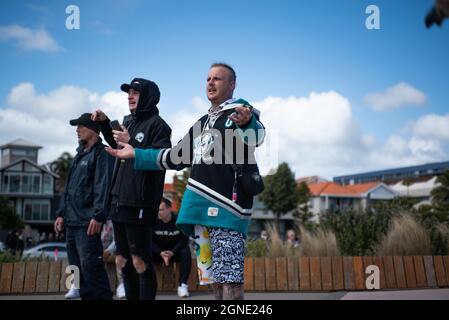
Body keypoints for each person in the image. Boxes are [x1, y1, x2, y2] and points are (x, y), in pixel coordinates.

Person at [105, 63, 265, 300]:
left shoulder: (240, 113)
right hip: (200, 212)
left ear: (232, 85)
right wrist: (136, 153)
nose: (210, 82)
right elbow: (173, 157)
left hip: (227, 211)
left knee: (230, 281)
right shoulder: (201, 123)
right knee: (214, 282)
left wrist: (246, 122)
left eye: (218, 79)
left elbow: (257, 136)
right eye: (208, 78)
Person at [91, 78, 172, 300]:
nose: (130, 96)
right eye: (129, 92)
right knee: (122, 260)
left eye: (136, 92)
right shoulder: (128, 120)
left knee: (140, 262)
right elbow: (119, 145)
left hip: (140, 203)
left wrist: (133, 143)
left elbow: (161, 160)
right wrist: (105, 123)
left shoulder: (159, 126)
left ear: (148, 96)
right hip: (119, 199)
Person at [54, 113, 114, 300]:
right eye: (76, 126)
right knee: (77, 270)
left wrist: (98, 215)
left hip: (88, 222)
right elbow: (69, 188)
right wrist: (61, 214)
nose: (77, 130)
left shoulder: (102, 152)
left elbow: (103, 186)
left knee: (92, 269)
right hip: (71, 222)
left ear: (94, 129)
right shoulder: (79, 155)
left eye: (81, 126)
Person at [153, 197, 191, 298]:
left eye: (161, 209)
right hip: (158, 253)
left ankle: (182, 285)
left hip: (175, 252)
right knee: (143, 250)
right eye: (157, 209)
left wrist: (172, 252)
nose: (158, 212)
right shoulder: (153, 221)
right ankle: (146, 285)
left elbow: (184, 240)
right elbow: (148, 241)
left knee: (186, 251)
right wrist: (160, 252)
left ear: (169, 209)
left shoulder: (179, 221)